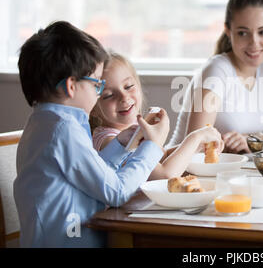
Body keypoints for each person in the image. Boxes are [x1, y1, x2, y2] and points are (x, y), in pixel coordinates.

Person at [13, 21, 169, 248]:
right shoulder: (62, 130)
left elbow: (86, 174)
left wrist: (121, 144)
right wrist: (153, 145)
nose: (97, 94)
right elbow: (116, 192)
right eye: (97, 85)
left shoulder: (45, 122)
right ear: (71, 86)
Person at [168, 0, 263, 153]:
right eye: (242, 33)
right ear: (228, 31)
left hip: (231, 171)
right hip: (181, 172)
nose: (254, 43)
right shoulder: (217, 70)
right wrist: (240, 144)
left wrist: (257, 141)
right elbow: (195, 147)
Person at [90, 52, 224, 179]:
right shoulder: (109, 141)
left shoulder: (137, 129)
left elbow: (161, 157)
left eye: (128, 86)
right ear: (93, 107)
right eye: (108, 95)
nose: (124, 97)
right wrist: (195, 137)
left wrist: (199, 145)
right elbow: (164, 175)